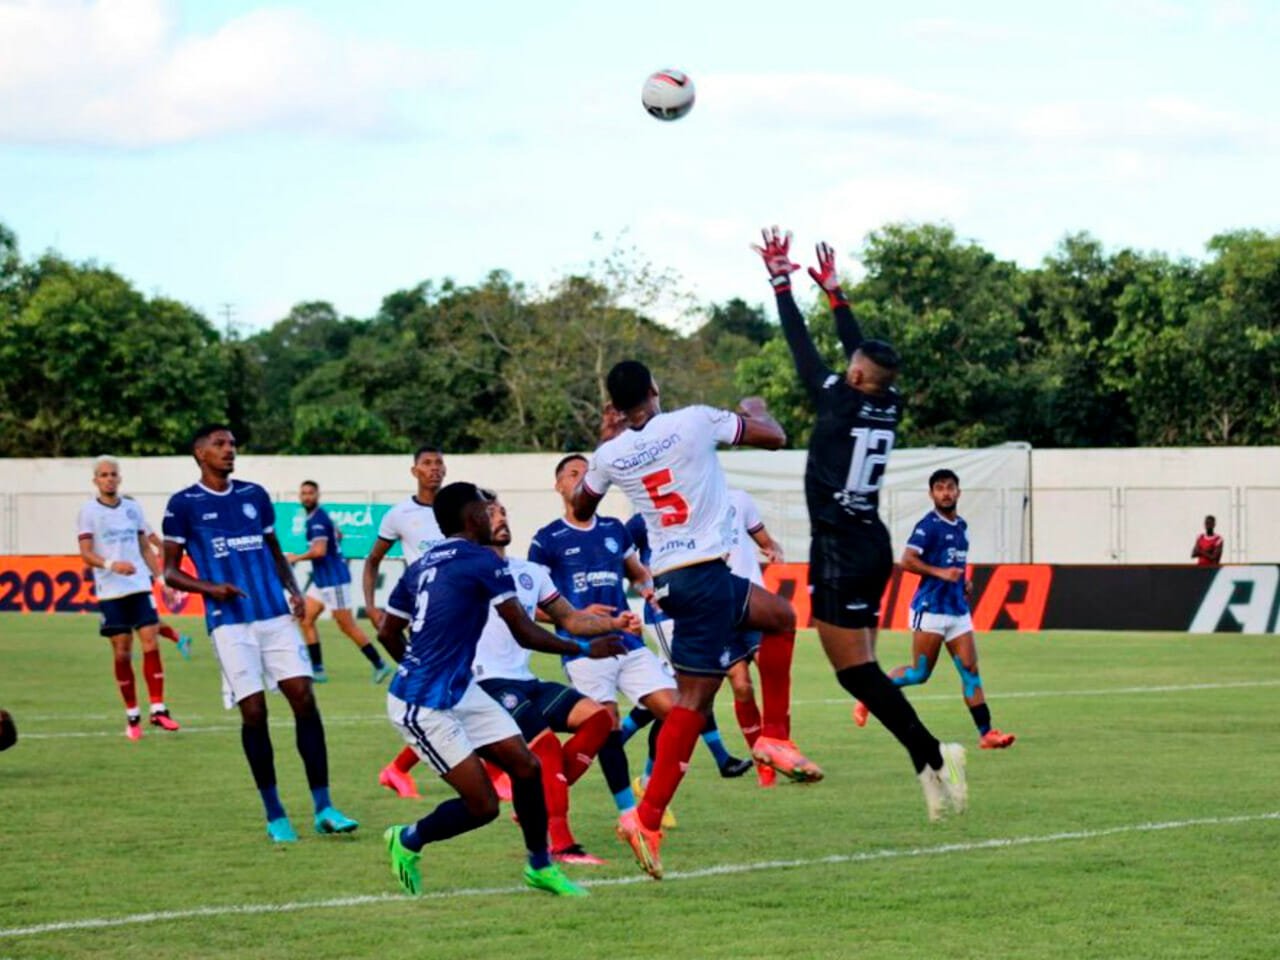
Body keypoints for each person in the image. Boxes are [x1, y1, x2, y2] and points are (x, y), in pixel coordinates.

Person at [572, 361, 819, 880]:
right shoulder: (693, 420)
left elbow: (582, 501)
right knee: (780, 620)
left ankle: (648, 819)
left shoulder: (610, 453)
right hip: (705, 575)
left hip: (669, 586)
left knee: (695, 699)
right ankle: (773, 736)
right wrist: (753, 409)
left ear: (614, 407)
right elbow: (774, 438)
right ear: (655, 389)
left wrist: (608, 447)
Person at [754, 227, 966, 822]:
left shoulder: (840, 397)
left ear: (852, 377)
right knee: (863, 667)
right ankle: (927, 760)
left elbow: (803, 350)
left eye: (850, 366)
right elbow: (866, 354)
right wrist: (837, 297)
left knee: (854, 673)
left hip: (843, 547)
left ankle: (932, 753)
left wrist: (781, 283)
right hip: (872, 539)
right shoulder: (887, 400)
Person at [376, 482, 630, 898]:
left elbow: (388, 630)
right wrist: (585, 647)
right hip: (422, 703)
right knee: (483, 807)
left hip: (461, 688)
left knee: (527, 767)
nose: (492, 515)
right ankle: (406, 839)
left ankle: (540, 866)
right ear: (472, 518)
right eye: (485, 509)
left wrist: (419, 663)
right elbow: (524, 631)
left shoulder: (420, 564)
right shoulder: (481, 560)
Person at [163, 424, 358, 843]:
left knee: (304, 698)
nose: (229, 450)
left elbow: (273, 551)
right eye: (219, 444)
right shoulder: (183, 505)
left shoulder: (254, 496)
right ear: (200, 453)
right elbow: (169, 571)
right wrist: (210, 589)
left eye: (232, 444)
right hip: (229, 623)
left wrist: (293, 591)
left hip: (274, 615)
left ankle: (324, 806)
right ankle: (275, 815)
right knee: (254, 712)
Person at [533, 456, 751, 788]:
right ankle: (560, 796)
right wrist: (573, 617)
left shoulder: (614, 531)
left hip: (629, 643)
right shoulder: (547, 539)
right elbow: (532, 608)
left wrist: (653, 595)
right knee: (604, 728)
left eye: (586, 474)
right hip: (585, 651)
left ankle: (649, 790)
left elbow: (640, 576)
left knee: (681, 715)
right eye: (572, 474)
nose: (580, 479)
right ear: (559, 486)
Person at [477, 496, 641, 864]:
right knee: (546, 747)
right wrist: (583, 649)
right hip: (486, 683)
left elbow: (572, 618)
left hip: (524, 680)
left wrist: (614, 624)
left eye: (503, 510)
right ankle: (562, 844)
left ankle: (532, 799)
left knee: (599, 718)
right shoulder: (469, 572)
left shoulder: (529, 573)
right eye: (491, 513)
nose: (501, 517)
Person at [854, 469, 1015, 750]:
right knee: (919, 674)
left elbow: (954, 565)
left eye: (950, 487)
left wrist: (962, 583)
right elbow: (907, 561)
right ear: (932, 494)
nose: (945, 493)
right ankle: (870, 695)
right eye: (939, 488)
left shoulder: (961, 527)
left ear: (958, 492)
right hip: (930, 610)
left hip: (957, 611)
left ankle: (987, 733)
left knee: (970, 670)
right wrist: (941, 573)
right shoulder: (927, 526)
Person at [77, 455, 183, 738]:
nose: (109, 478)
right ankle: (132, 715)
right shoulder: (88, 512)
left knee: (151, 642)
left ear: (119, 478)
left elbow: (146, 547)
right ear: (96, 481)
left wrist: (161, 580)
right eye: (104, 475)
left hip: (139, 586)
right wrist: (113, 565)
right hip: (111, 591)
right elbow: (86, 553)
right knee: (123, 652)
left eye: (113, 474)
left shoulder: (132, 508)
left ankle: (159, 709)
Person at [364, 446, 447, 799]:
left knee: (455, 693)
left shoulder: (459, 508)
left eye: (439, 462)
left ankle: (398, 769)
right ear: (414, 471)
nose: (434, 469)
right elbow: (373, 561)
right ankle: (398, 768)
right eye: (427, 463)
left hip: (466, 613)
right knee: (449, 693)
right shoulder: (400, 515)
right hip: (426, 617)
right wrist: (371, 607)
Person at [286, 480, 392, 685]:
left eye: (310, 493)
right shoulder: (319, 517)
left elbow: (319, 551)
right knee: (306, 619)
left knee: (346, 626)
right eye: (304, 493)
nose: (306, 496)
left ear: (317, 495)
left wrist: (295, 558)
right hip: (322, 580)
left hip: (334, 581)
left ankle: (379, 664)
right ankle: (317, 670)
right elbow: (339, 535)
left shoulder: (317, 520)